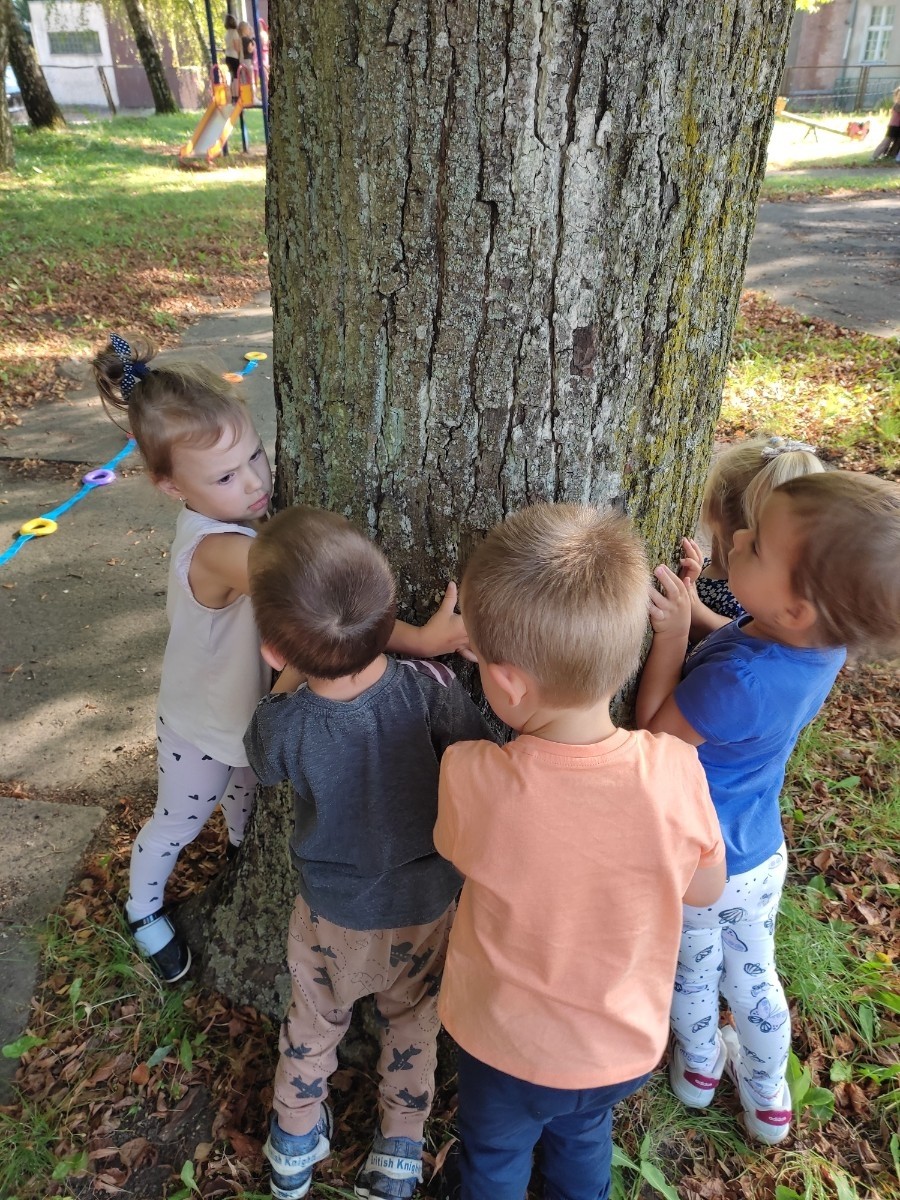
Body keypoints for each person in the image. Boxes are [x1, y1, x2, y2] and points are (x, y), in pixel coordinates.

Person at [93, 336, 470, 985]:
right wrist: (423, 641)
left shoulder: (239, 527)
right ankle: (143, 909)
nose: (255, 481)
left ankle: (243, 854)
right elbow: (323, 606)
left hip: (250, 718)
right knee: (180, 818)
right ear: (167, 485)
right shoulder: (218, 551)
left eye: (255, 456)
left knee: (245, 804)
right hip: (202, 726)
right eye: (225, 476)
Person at [434, 503, 726, 1200]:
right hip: (617, 1051)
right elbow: (706, 890)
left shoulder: (474, 774)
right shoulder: (674, 771)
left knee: (494, 1158)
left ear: (506, 682)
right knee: (584, 1140)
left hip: (503, 1048)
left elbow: (452, 848)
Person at [636, 471, 900, 1145]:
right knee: (754, 979)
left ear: (797, 609)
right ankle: (770, 1096)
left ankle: (698, 1071)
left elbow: (655, 741)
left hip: (699, 861)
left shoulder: (737, 682)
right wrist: (699, 611)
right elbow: (744, 629)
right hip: (759, 855)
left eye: (753, 552)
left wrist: (669, 638)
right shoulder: (822, 647)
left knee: (693, 971)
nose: (741, 539)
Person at [243, 506, 495, 1200]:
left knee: (313, 1023)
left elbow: (261, 758)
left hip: (330, 916)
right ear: (388, 621)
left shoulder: (284, 723)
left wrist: (289, 678)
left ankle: (293, 1145)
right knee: (414, 1023)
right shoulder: (430, 688)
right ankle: (399, 1153)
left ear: (272, 650)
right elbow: (475, 754)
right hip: (424, 905)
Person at [680, 436, 822, 643]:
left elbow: (749, 638)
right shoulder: (743, 581)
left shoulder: (749, 596)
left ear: (710, 508)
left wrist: (697, 611)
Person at [872, 86, 900, 160]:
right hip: (893, 127)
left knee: (897, 142)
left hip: (898, 126)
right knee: (886, 142)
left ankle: (891, 155)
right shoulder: (897, 106)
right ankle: (875, 156)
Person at [223, 13, 241, 94]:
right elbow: (236, 46)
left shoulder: (226, 33)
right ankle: (236, 94)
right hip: (234, 56)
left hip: (227, 56)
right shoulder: (235, 33)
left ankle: (232, 94)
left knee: (232, 76)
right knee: (236, 76)